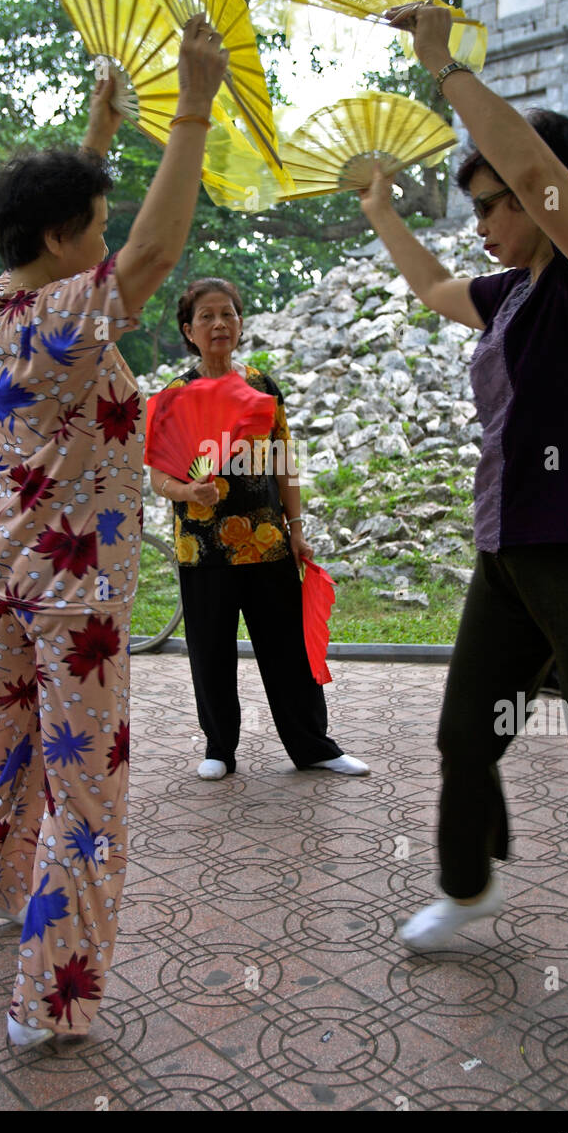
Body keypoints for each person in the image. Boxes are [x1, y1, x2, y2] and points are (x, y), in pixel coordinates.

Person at [358, 0, 568, 1054]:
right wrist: (376, 208)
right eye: (477, 202)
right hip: (509, 555)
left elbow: (535, 169)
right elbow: (435, 284)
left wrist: (445, 70)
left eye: (496, 199)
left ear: (545, 195)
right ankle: (469, 883)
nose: (484, 217)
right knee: (462, 732)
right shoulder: (515, 292)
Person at [0, 16, 229, 1047]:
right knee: (88, 793)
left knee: (20, 735)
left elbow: (77, 231)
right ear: (68, 239)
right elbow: (152, 250)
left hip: (8, 567)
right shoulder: (70, 317)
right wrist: (193, 102)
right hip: (73, 596)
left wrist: (98, 132)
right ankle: (51, 1002)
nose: (107, 235)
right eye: (95, 221)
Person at [148, 277, 370, 780]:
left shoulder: (263, 387)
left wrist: (296, 527)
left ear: (241, 323)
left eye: (227, 313)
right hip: (201, 549)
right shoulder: (174, 396)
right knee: (210, 651)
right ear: (188, 329)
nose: (219, 323)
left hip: (268, 544)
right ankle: (219, 748)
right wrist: (188, 493)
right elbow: (160, 476)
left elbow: (285, 465)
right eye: (206, 316)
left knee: (287, 649)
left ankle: (314, 746)